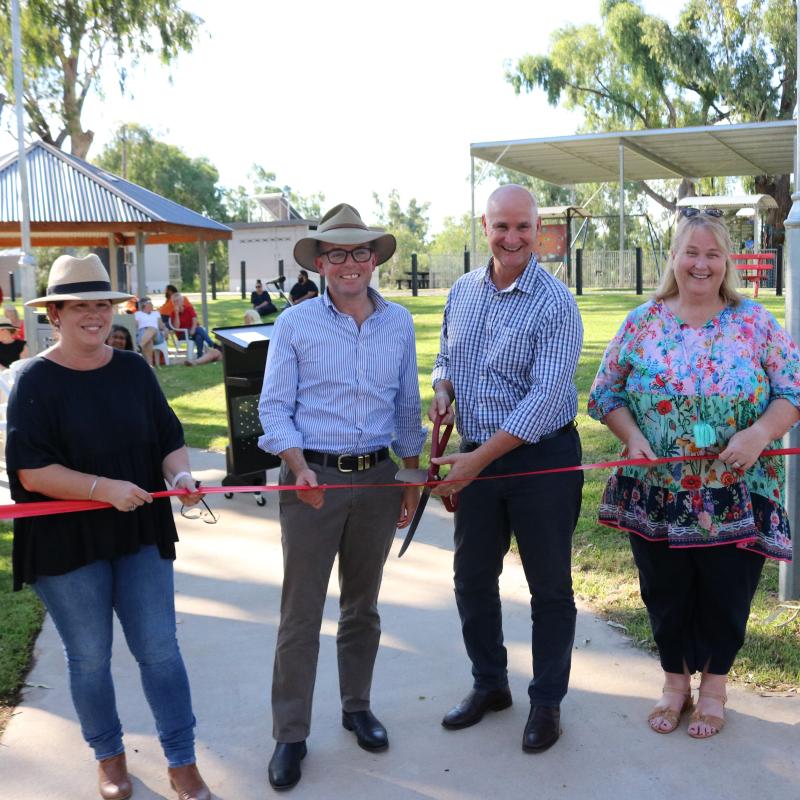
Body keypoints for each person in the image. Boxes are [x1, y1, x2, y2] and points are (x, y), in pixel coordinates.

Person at [5, 253, 212, 800]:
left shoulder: (134, 370)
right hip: (64, 543)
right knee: (90, 657)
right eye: (80, 306)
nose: (95, 316)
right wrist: (103, 488)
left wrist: (182, 473)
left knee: (160, 650)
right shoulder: (31, 380)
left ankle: (182, 761)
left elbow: (167, 437)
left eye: (102, 304)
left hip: (138, 532)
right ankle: (110, 758)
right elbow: (30, 468)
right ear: (55, 315)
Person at [588, 209, 800, 739]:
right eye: (691, 252)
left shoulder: (754, 322)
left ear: (726, 261)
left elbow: (792, 392)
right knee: (665, 590)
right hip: (659, 491)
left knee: (727, 593)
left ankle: (715, 689)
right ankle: (674, 685)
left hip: (737, 491)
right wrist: (631, 437)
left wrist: (758, 436)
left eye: (712, 254)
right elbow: (605, 394)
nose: (700, 264)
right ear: (675, 259)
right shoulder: (642, 322)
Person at [259, 203, 426, 791]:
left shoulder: (398, 323)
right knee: (300, 613)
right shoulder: (295, 324)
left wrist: (410, 474)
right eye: (337, 253)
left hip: (379, 480)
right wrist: (297, 465)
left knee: (364, 606)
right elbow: (274, 407)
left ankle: (357, 706)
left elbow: (407, 404)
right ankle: (290, 734)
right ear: (321, 262)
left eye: (360, 252)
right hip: (314, 482)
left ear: (374, 259)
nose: (350, 263)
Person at [429, 185, 583, 754]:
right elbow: (446, 356)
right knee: (471, 578)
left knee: (549, 588)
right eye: (501, 227)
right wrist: (443, 388)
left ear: (537, 228)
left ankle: (547, 701)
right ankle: (490, 685)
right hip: (475, 457)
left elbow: (545, 398)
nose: (512, 238)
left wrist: (475, 462)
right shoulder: (463, 291)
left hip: (540, 458)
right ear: (485, 226)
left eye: (522, 227)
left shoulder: (555, 302)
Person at [171, 293, 215, 358]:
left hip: (193, 331)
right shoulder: (173, 313)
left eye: (178, 300)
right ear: (173, 303)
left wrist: (193, 329)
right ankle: (212, 344)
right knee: (199, 329)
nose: (177, 303)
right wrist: (177, 314)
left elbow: (194, 319)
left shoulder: (189, 308)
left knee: (199, 336)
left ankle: (199, 356)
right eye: (175, 301)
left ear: (182, 301)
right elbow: (176, 327)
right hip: (182, 335)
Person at [134, 296, 167, 367]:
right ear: (144, 305)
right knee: (149, 341)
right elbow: (135, 326)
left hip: (157, 335)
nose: (152, 305)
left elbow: (161, 326)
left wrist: (165, 329)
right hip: (143, 333)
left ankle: (140, 346)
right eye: (150, 303)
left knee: (152, 328)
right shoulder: (137, 314)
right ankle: (150, 366)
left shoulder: (156, 313)